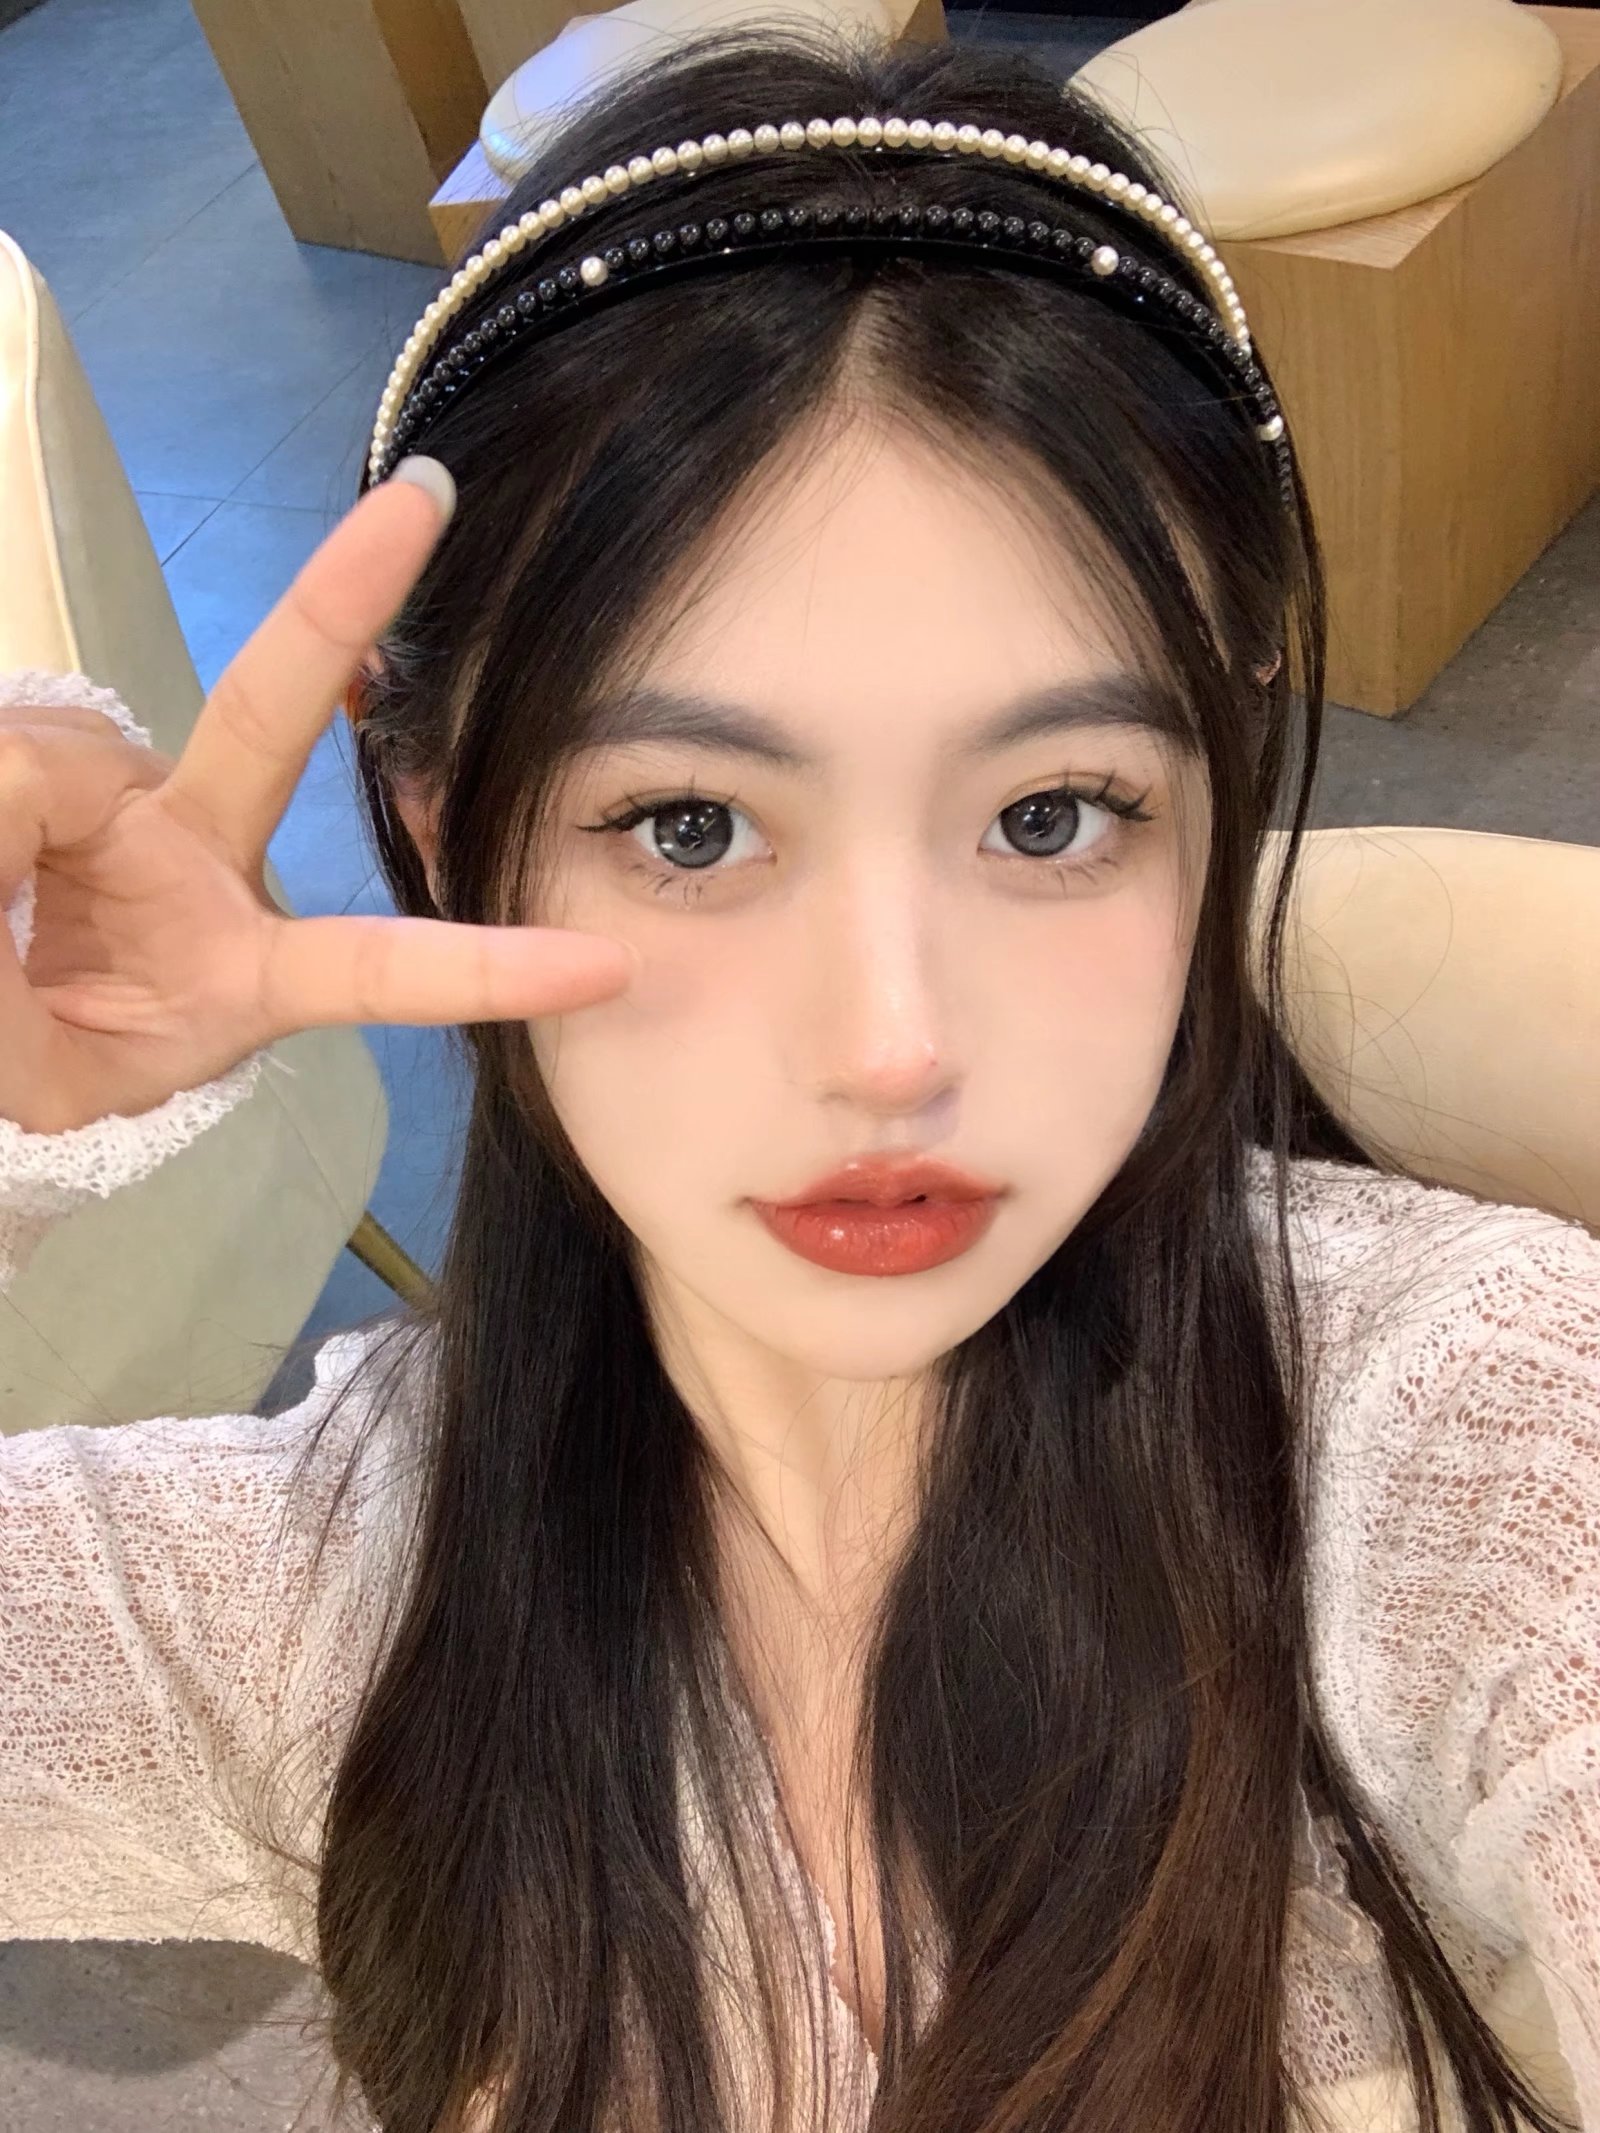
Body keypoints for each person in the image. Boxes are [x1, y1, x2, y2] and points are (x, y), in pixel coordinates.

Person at [0, 25, 1596, 2133]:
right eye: (689, 825)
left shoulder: (1464, 1445)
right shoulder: (334, 1589)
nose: (889, 1048)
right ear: (439, 823)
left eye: (1050, 814)